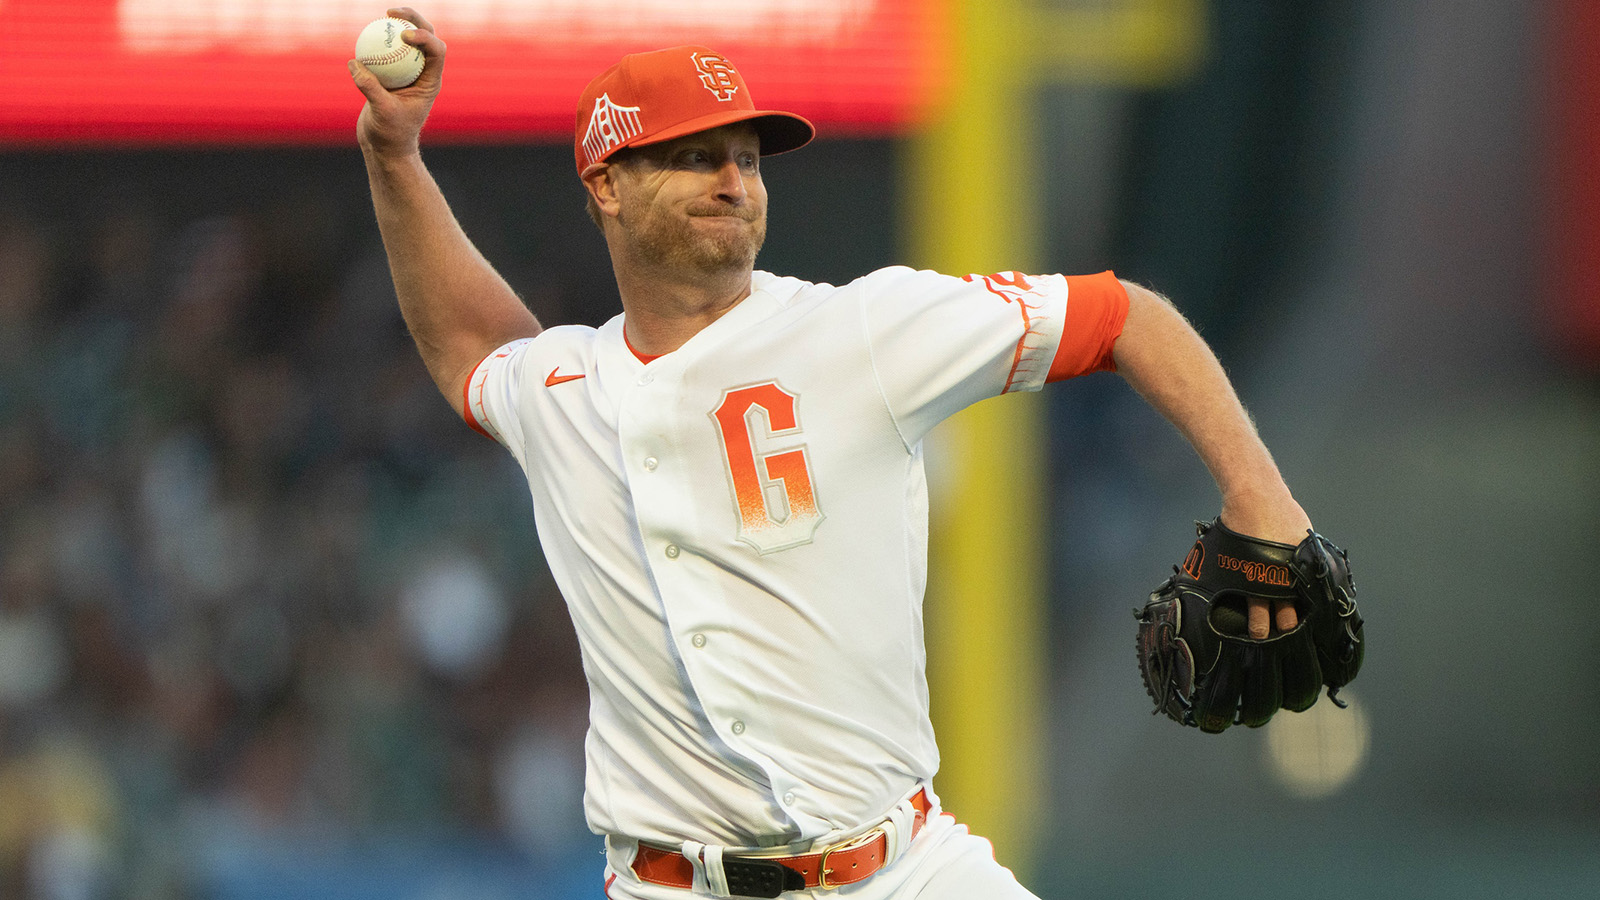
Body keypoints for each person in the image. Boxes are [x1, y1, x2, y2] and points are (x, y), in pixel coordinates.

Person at [349, 8, 1313, 898]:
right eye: (696, 157)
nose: (734, 180)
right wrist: (395, 156)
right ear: (605, 182)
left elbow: (1124, 316)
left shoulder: (861, 329)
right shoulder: (563, 387)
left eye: (748, 159)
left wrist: (1261, 497)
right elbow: (472, 348)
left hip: (905, 872)